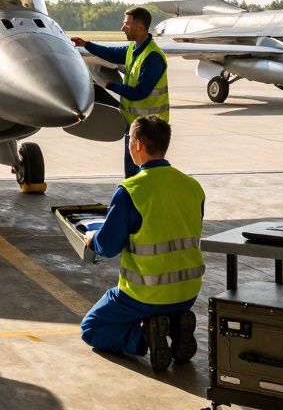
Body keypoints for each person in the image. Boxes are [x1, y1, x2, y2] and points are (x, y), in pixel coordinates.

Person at [79, 115, 203, 372]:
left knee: (92, 328)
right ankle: (176, 322)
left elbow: (109, 246)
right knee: (163, 306)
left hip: (144, 293)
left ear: (137, 144)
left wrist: (93, 240)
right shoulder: (193, 187)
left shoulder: (132, 190)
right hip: (187, 292)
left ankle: (145, 336)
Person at [70, 6, 169, 177]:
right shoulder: (133, 49)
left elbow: (140, 92)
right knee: (132, 176)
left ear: (139, 27)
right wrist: (86, 44)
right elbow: (110, 53)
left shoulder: (152, 57)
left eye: (126, 24)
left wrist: (108, 85)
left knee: (145, 176)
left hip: (151, 130)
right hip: (134, 126)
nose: (122, 28)